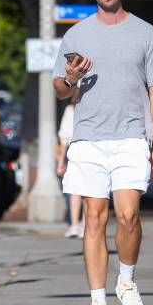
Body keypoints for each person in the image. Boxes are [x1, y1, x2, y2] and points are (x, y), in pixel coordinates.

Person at [52, 0, 153, 305]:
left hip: (133, 137)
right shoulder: (76, 35)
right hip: (88, 138)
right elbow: (59, 90)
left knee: (129, 214)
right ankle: (97, 303)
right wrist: (69, 78)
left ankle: (127, 283)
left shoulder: (146, 34)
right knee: (93, 219)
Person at [57, 92, 84, 238]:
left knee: (80, 191)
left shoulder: (70, 110)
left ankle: (78, 225)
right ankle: (80, 225)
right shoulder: (70, 110)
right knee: (84, 190)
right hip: (77, 152)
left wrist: (61, 161)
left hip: (77, 152)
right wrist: (61, 161)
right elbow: (64, 136)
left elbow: (64, 137)